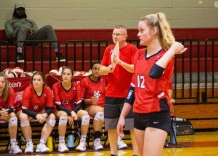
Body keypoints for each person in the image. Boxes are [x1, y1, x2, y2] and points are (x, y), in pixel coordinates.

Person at [117, 12, 187, 156]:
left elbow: (154, 73)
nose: (138, 34)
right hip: (139, 114)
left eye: (142, 30)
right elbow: (133, 87)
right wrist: (122, 116)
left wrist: (172, 50)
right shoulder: (139, 54)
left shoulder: (166, 56)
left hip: (157, 114)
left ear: (154, 31)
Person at [99, 25, 138, 156]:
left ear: (125, 36)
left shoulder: (132, 49)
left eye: (118, 34)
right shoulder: (108, 50)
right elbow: (101, 69)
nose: (115, 36)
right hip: (111, 94)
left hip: (129, 94)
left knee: (132, 126)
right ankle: (113, 153)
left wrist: (120, 62)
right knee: (111, 126)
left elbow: (134, 68)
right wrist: (111, 66)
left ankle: (136, 153)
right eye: (113, 34)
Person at [53, 66, 90, 152]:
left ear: (72, 76)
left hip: (74, 110)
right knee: (63, 116)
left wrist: (72, 112)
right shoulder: (56, 86)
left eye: (68, 74)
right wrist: (70, 113)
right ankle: (61, 144)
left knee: (85, 116)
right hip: (60, 111)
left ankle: (82, 143)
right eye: (64, 74)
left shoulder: (76, 85)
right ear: (61, 76)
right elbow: (58, 106)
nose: (66, 76)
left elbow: (79, 104)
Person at [18, 71, 56, 153]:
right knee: (23, 116)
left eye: (39, 80)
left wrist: (45, 115)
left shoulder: (48, 90)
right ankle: (29, 143)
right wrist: (36, 116)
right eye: (34, 79)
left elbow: (50, 107)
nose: (36, 82)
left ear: (43, 82)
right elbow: (24, 109)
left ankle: (41, 144)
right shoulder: (28, 90)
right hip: (28, 112)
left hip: (40, 111)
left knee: (52, 117)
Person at [80, 62, 106, 150]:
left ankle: (97, 140)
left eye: (99, 69)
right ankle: (93, 140)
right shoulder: (85, 81)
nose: (97, 71)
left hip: (103, 108)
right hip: (88, 107)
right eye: (95, 68)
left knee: (101, 113)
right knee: (100, 112)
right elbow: (81, 100)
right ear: (91, 70)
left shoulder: (104, 80)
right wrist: (90, 100)